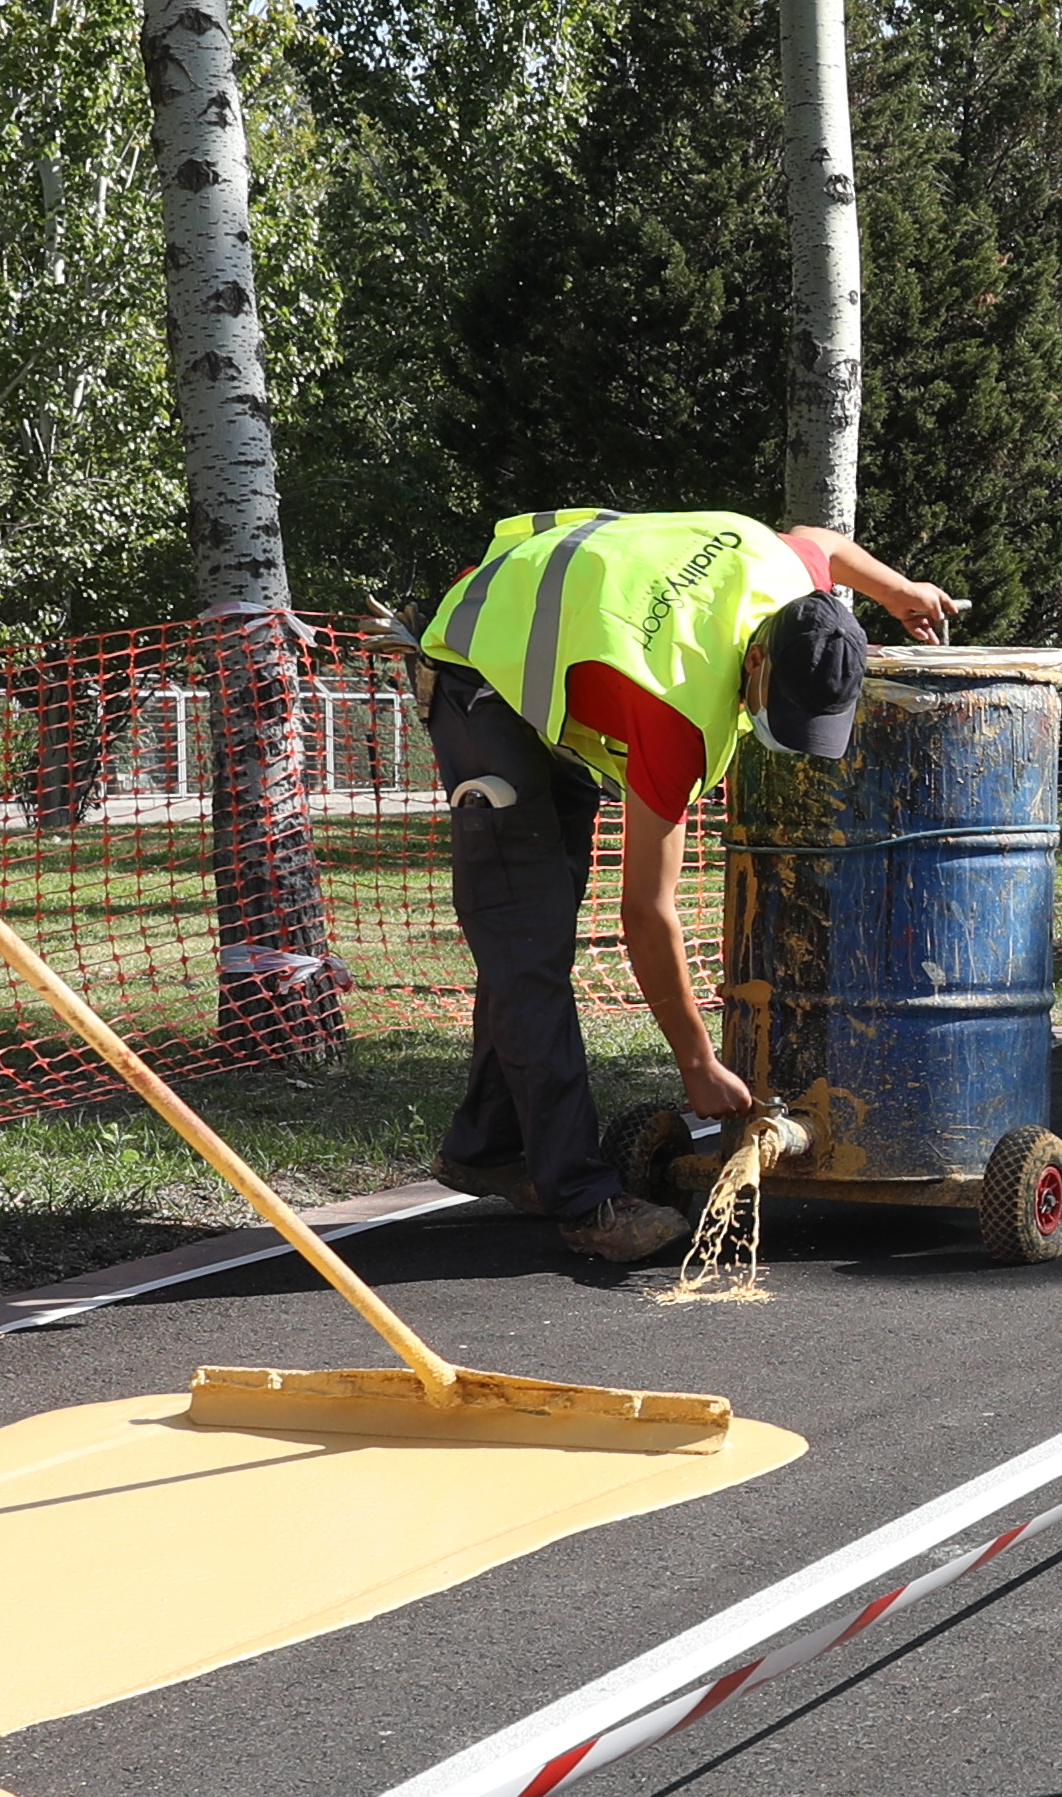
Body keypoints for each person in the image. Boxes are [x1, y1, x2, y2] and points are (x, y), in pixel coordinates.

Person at [414, 506, 967, 1257]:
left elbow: (827, 545)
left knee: (528, 939)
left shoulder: (789, 583)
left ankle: (488, 1146)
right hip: (480, 666)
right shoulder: (680, 706)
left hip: (554, 649)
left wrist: (900, 590)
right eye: (780, 711)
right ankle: (583, 1199)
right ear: (758, 664)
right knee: (527, 946)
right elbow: (646, 912)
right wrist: (697, 1061)